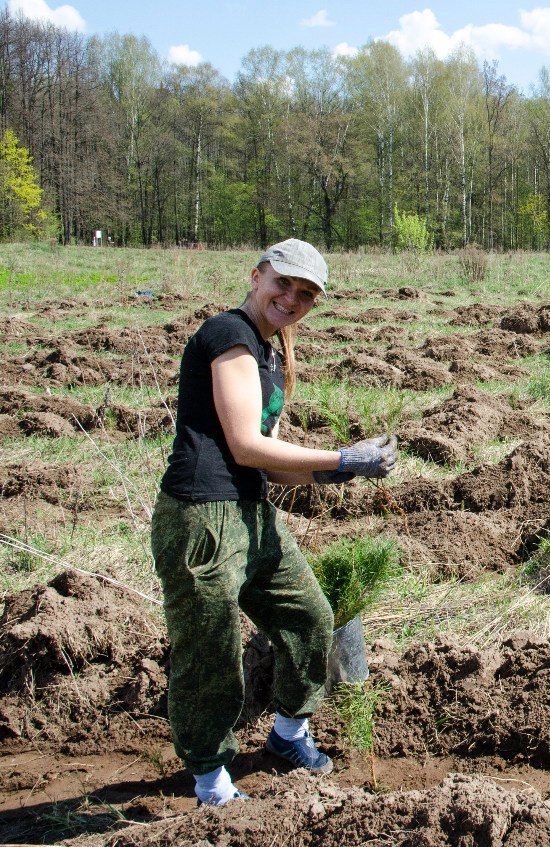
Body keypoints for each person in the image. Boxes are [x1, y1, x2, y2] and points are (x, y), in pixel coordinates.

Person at [150, 238, 398, 806]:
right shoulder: (228, 334)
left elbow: (270, 463)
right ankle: (211, 780)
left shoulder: (266, 352)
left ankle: (289, 736)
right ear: (258, 275)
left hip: (252, 512)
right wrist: (340, 459)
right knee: (209, 652)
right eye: (283, 283)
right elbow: (243, 445)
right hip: (201, 518)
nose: (291, 298)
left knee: (309, 617)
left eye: (306, 294)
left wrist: (344, 471)